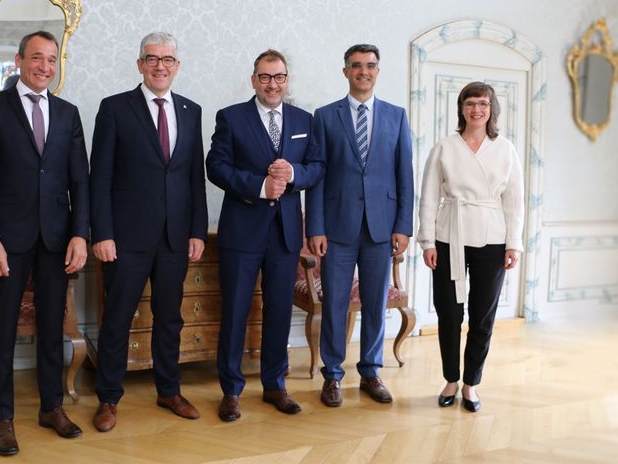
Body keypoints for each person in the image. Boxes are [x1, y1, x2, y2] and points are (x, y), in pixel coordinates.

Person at [0, 30, 89, 456]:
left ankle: (51, 407)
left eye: (52, 59)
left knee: (52, 326)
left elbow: (80, 182)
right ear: (18, 61)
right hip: (8, 239)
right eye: (37, 57)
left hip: (56, 238)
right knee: (1, 330)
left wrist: (80, 234)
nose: (45, 66)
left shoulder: (69, 114)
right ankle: (3, 419)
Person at [89, 32, 208, 431]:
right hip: (125, 238)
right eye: (152, 59)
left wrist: (197, 230)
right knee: (117, 319)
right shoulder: (114, 108)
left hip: (175, 237)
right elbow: (99, 177)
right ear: (139, 64)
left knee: (170, 319)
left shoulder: (191, 110)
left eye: (168, 59)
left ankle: (169, 390)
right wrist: (102, 233)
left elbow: (194, 177)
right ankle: (108, 398)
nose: (160, 66)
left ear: (177, 65)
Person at [206, 49, 324, 421]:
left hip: (285, 234)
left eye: (279, 77)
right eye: (265, 77)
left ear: (287, 80)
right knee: (236, 311)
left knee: (279, 311)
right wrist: (259, 187)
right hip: (242, 233)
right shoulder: (231, 117)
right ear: (254, 80)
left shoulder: (304, 120)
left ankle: (275, 385)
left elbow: (317, 167)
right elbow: (215, 166)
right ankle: (231, 390)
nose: (272, 84)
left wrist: (294, 175)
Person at [306, 44, 413, 408]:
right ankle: (333, 375)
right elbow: (316, 177)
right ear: (346, 71)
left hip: (381, 229)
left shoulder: (396, 116)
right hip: (336, 228)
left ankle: (371, 372)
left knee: (375, 304)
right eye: (356, 65)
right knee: (335, 303)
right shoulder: (324, 116)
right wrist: (315, 227)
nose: (363, 71)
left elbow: (405, 176)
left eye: (370, 65)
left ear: (377, 71)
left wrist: (403, 226)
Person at [417, 81, 524, 412]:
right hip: (449, 235)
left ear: (492, 109)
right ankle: (451, 378)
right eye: (470, 103)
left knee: (483, 315)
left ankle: (471, 384)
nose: (477, 109)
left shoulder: (505, 149)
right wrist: (427, 240)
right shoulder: (445, 147)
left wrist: (514, 244)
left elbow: (515, 201)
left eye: (483, 103)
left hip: (492, 239)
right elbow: (429, 195)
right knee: (449, 312)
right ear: (461, 108)